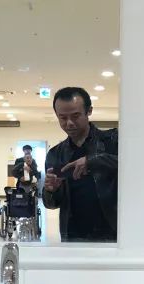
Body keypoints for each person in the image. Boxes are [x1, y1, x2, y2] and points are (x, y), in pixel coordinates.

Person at [42, 87, 118, 242]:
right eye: (63, 118)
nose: (69, 123)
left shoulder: (113, 141)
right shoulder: (55, 154)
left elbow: (135, 165)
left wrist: (92, 161)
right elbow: (51, 204)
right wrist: (51, 190)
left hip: (112, 233)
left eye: (75, 116)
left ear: (89, 111)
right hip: (72, 235)